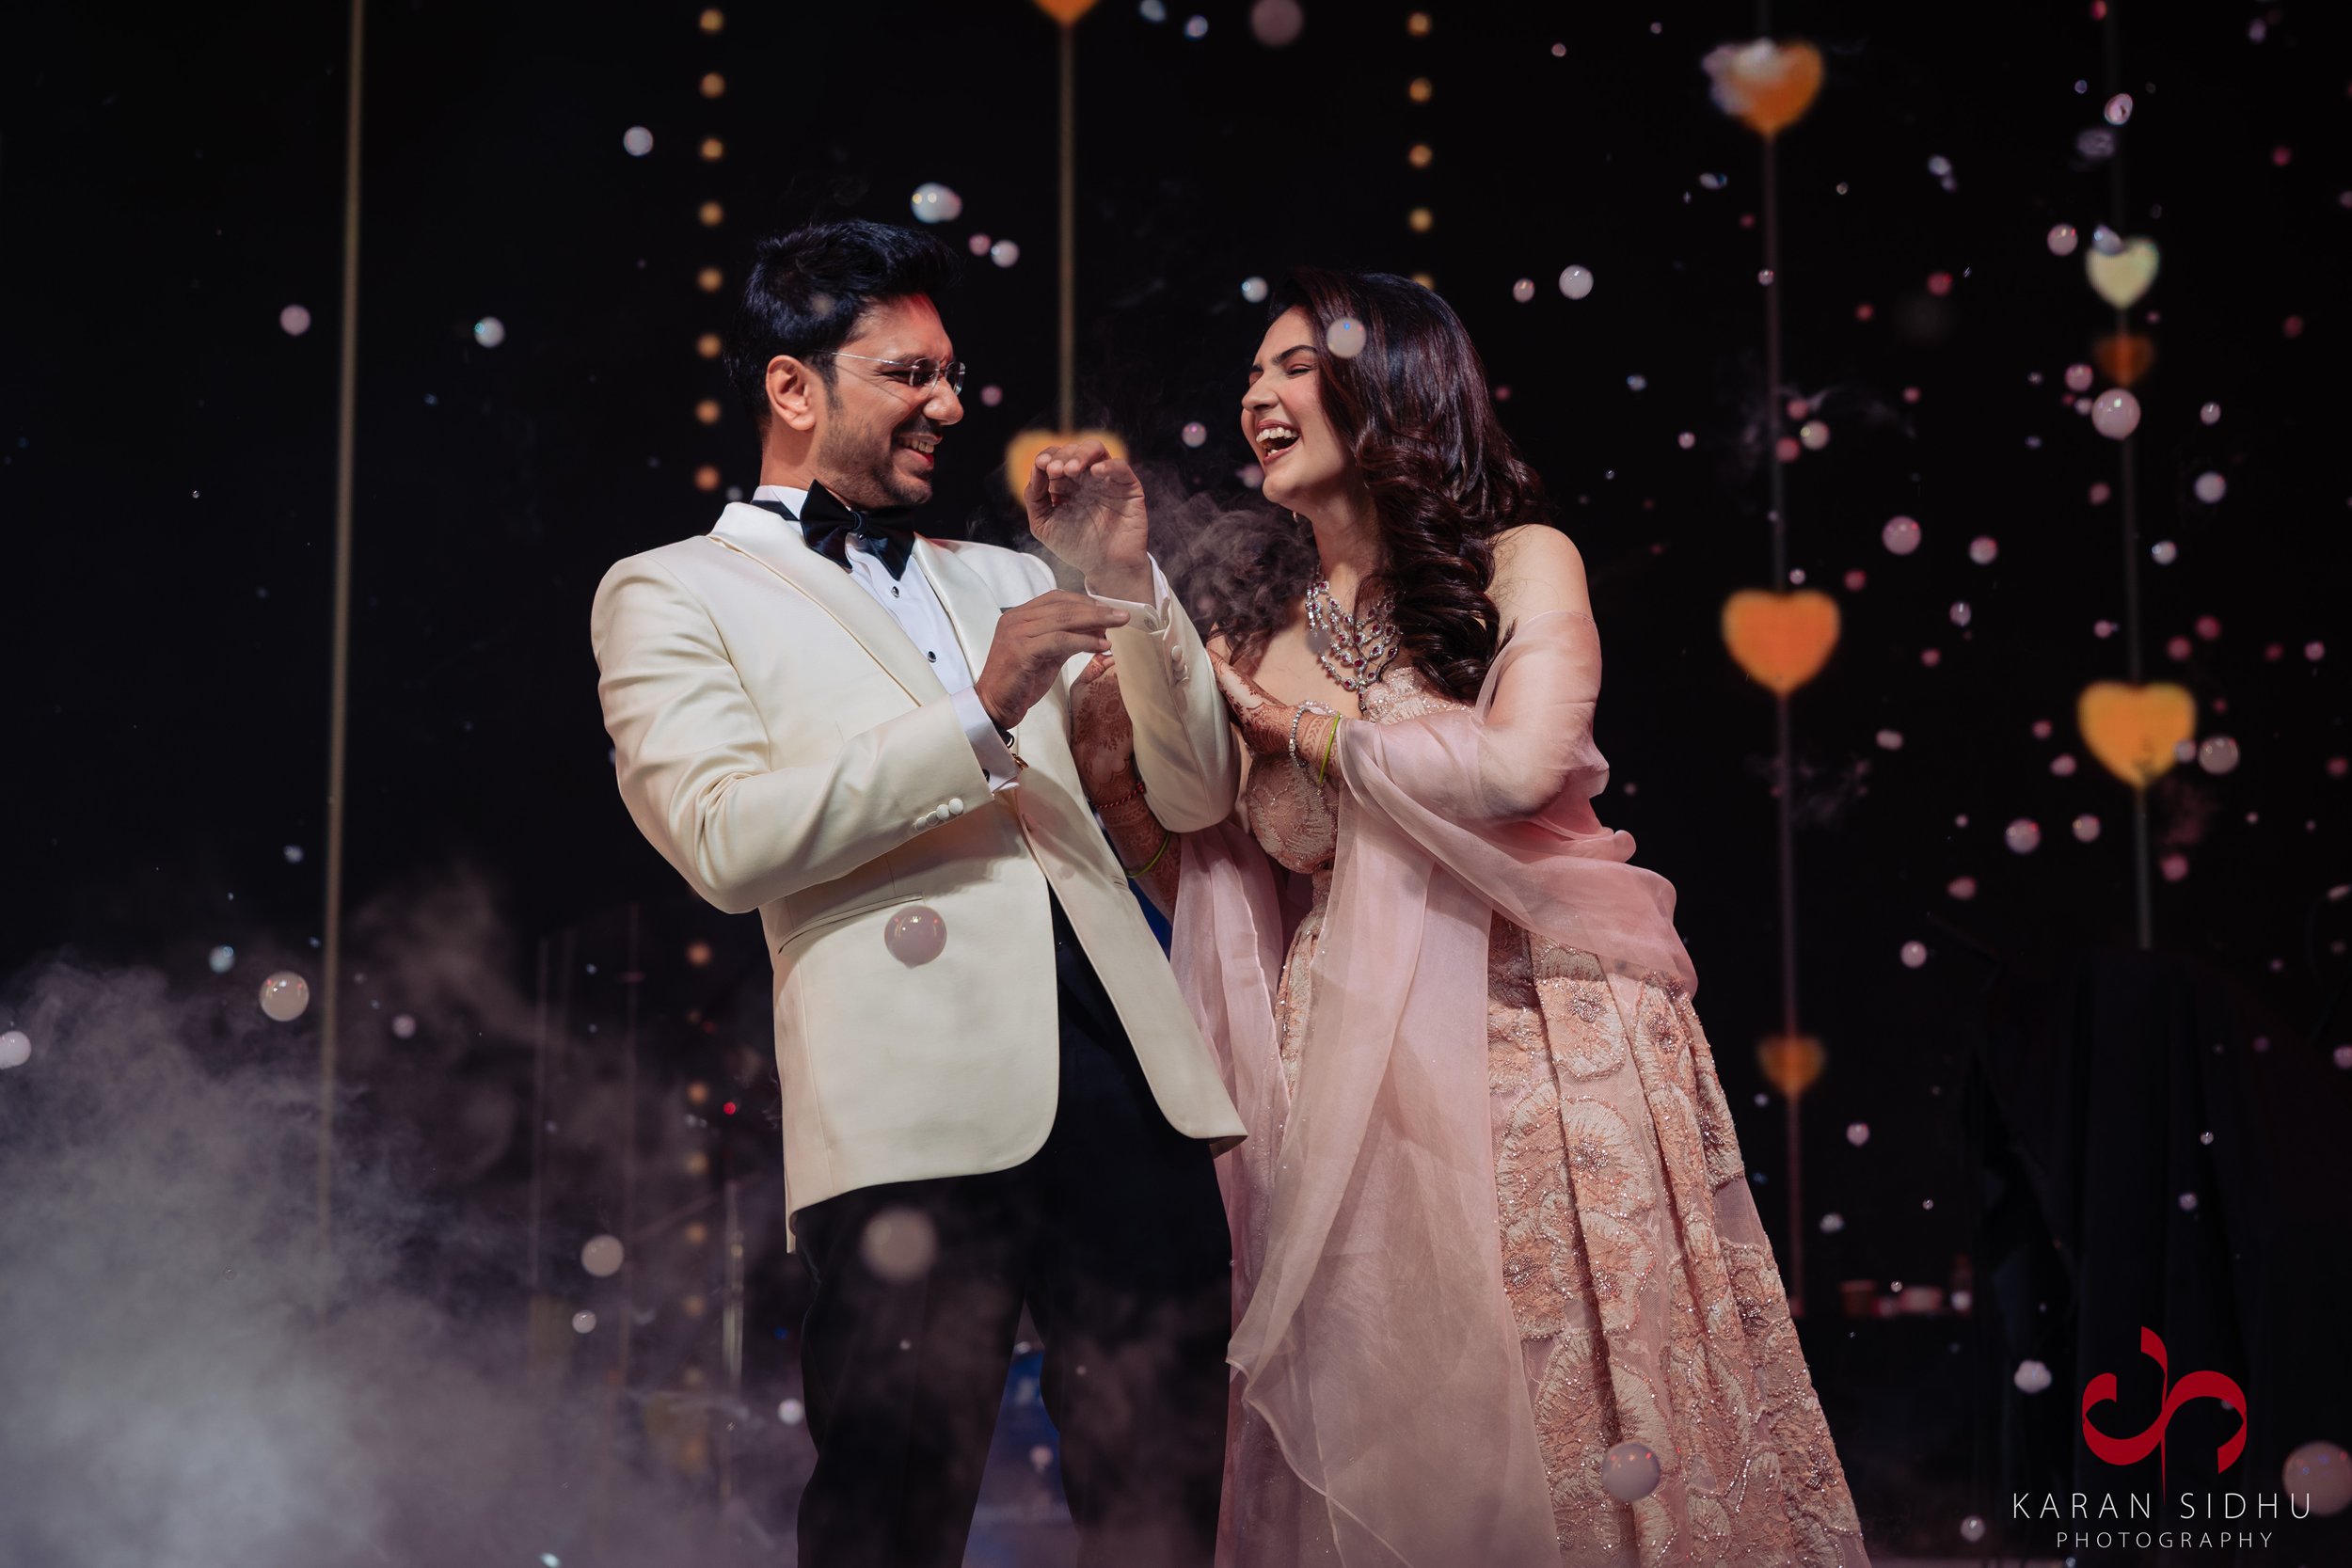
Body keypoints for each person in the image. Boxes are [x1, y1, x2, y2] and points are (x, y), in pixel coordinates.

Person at [1070, 269, 1872, 1567]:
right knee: (1393, 1405)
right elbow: (1188, 796)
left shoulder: (1521, 561)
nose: (1255, 394)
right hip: (1353, 1079)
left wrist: (1314, 735)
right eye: (1252, 373)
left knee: (1576, 1403)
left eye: (1289, 365)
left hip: (1542, 1043)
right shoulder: (1259, 640)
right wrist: (1120, 581)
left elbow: (1517, 767)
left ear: (1388, 383)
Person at [591, 219, 1246, 1568]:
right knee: (891, 1512)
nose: (951, 404)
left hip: (1128, 1089)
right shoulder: (671, 591)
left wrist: (1129, 581)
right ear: (794, 389)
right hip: (912, 1112)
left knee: (1169, 1513)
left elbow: (1192, 795)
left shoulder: (1009, 577)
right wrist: (979, 708)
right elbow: (722, 841)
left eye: (953, 373)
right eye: (909, 374)